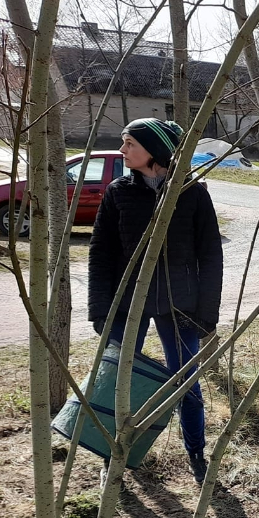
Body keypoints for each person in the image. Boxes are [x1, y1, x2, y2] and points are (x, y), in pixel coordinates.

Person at [87, 118, 223, 483]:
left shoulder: (191, 193)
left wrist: (206, 314)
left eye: (129, 143)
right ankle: (110, 457)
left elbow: (210, 255)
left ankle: (196, 453)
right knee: (115, 380)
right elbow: (101, 253)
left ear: (155, 150)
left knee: (186, 383)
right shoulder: (119, 192)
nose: (122, 150)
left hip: (180, 306)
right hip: (127, 304)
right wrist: (101, 309)